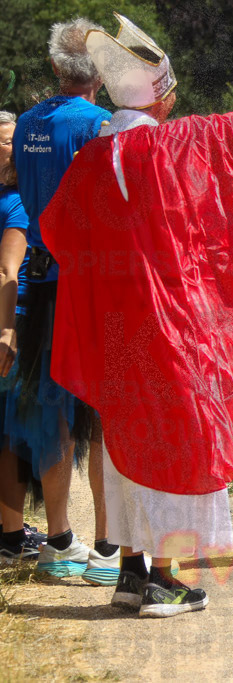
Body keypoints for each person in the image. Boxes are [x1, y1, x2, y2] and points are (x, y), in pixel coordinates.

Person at [41, 0, 233, 617]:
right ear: (160, 95)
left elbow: (59, 232)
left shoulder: (93, 158)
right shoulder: (170, 144)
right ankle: (165, 577)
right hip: (170, 328)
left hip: (118, 330)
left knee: (127, 438)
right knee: (180, 438)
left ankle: (132, 571)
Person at [10, 17, 111, 579]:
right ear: (101, 72)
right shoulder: (101, 125)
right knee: (101, 417)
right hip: (90, 283)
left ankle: (58, 540)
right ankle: (108, 548)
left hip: (41, 282)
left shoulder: (27, 123)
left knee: (53, 413)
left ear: (54, 65)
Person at [0, 110, 44, 563]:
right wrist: (8, 330)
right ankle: (12, 537)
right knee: (10, 435)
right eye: (7, 141)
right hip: (10, 320)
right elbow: (6, 270)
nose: (17, 148)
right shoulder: (15, 202)